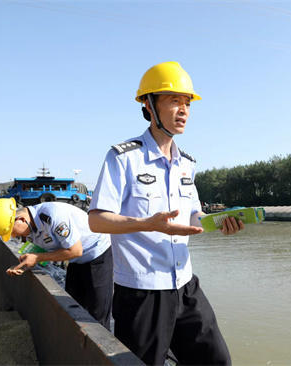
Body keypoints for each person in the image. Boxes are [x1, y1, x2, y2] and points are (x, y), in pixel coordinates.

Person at [88, 61, 243, 366]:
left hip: (186, 286)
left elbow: (194, 217)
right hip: (141, 293)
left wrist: (220, 224)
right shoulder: (123, 158)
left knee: (217, 360)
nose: (184, 110)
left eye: (187, 103)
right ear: (149, 105)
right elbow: (96, 220)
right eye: (174, 101)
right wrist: (148, 224)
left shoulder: (187, 163)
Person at [0, 198, 113, 330]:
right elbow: (41, 255)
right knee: (74, 308)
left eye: (12, 232)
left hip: (96, 254)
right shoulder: (30, 228)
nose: (14, 237)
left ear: (20, 219)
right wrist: (26, 265)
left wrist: (37, 257)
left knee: (97, 313)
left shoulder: (53, 216)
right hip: (74, 259)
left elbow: (75, 250)